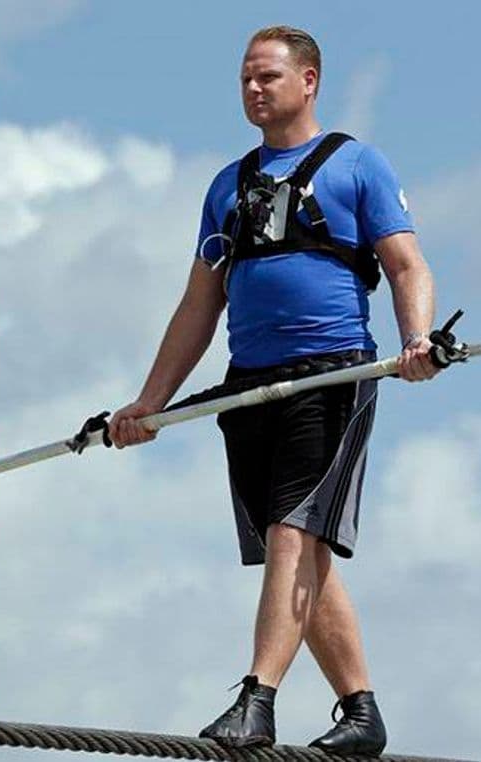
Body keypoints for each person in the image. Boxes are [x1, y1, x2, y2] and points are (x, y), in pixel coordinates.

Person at [107, 26, 438, 756]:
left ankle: (257, 699)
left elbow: (408, 267)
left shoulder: (357, 165)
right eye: (245, 80)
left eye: (269, 78)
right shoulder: (227, 185)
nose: (254, 90)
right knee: (302, 553)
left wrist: (416, 341)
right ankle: (361, 713)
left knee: (296, 530)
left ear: (310, 80)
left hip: (333, 376)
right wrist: (150, 403)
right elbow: (199, 304)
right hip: (249, 389)